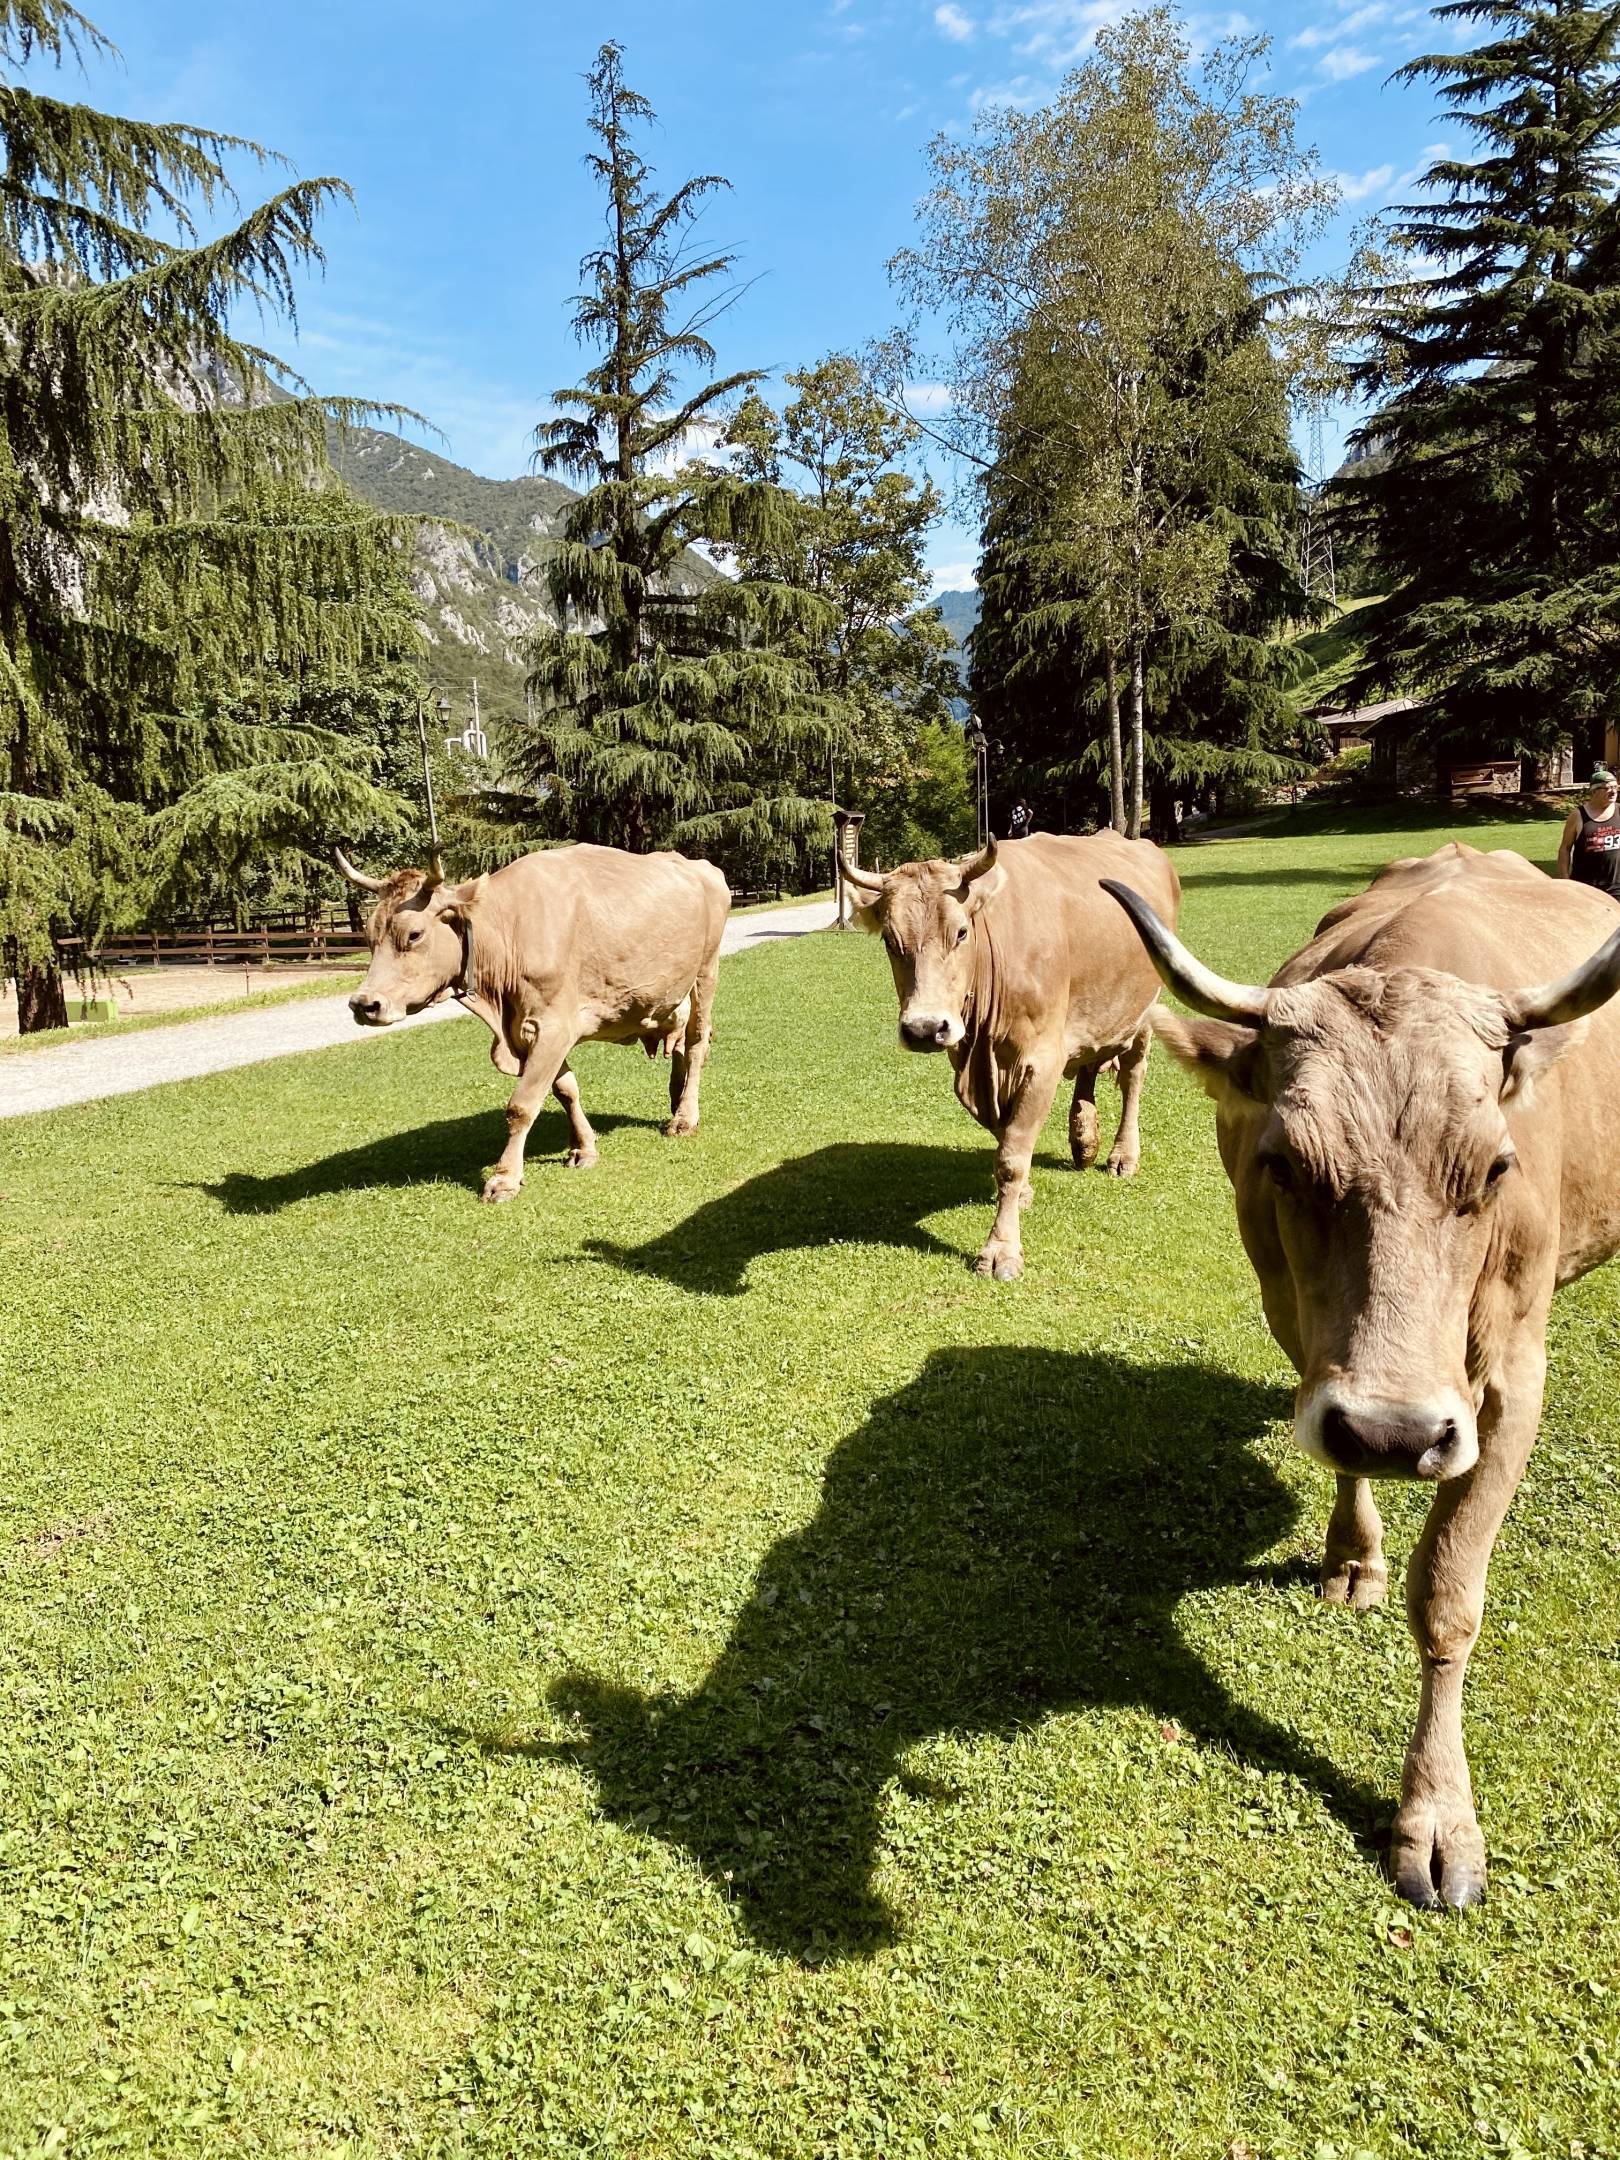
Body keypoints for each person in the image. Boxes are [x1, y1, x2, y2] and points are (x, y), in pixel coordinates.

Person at [1557, 765, 1620, 900]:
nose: (1613, 792)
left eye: (1615, 787)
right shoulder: (1578, 816)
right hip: (1586, 888)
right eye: (1608, 788)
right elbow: (1564, 849)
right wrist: (1564, 879)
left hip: (1617, 888)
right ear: (1594, 791)